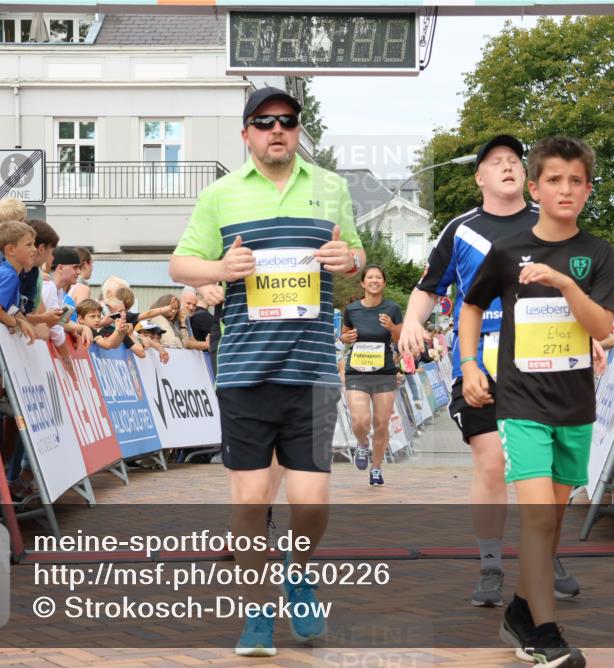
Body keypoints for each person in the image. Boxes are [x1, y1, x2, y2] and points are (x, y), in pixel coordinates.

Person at [168, 86, 364, 657]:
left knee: (312, 504)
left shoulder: (331, 187)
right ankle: (257, 616)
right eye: (263, 122)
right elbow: (180, 263)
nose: (276, 130)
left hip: (309, 371)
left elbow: (355, 253)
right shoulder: (220, 195)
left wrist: (348, 260)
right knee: (251, 502)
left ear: (298, 129)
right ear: (246, 133)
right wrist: (219, 267)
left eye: (286, 121)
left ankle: (296, 570)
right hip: (245, 370)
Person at [397, 134, 581, 607]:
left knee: (550, 471)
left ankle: (544, 553)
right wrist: (412, 323)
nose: (508, 166)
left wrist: (591, 338)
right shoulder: (461, 230)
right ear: (479, 177)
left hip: (544, 364)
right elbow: (428, 286)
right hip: (479, 363)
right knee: (493, 461)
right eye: (496, 162)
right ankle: (492, 563)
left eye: (515, 161)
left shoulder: (552, 223)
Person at [460, 136, 614, 668]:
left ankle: (521, 612)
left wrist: (563, 284)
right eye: (555, 180)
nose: (566, 189)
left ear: (589, 189)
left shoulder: (597, 254)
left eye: (576, 181)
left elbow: (602, 326)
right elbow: (471, 305)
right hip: (521, 403)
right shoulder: (507, 251)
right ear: (535, 188)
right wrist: (469, 365)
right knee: (535, 519)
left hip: (574, 407)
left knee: (551, 522)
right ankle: (546, 635)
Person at [339, 264, 403, 485]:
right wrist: (345, 339)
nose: (374, 280)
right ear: (363, 282)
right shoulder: (353, 309)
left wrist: (392, 326)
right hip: (356, 371)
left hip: (384, 372)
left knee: (381, 422)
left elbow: (400, 339)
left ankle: (376, 468)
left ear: (384, 283)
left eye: (379, 277)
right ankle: (362, 444)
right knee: (360, 419)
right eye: (370, 277)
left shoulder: (392, 308)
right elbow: (344, 336)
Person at [0, 221, 37, 344]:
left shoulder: (8, 272)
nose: (35, 249)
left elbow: (11, 309)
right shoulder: (9, 276)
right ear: (11, 249)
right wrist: (18, 323)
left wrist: (28, 326)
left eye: (34, 244)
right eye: (29, 245)